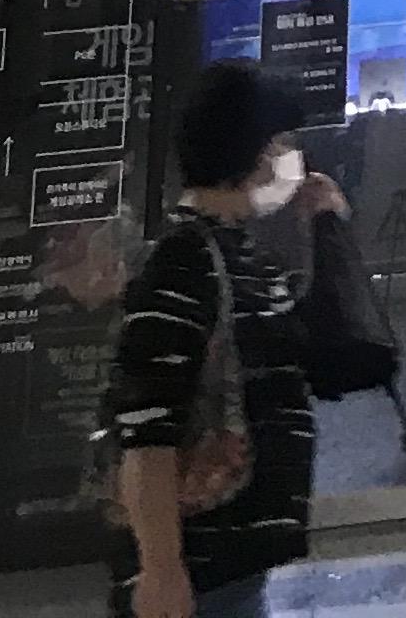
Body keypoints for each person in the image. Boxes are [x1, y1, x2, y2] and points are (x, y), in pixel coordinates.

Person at [101, 65, 346, 618]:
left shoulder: (237, 252)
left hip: (232, 561)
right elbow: (147, 426)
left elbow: (320, 355)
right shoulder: (183, 261)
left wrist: (327, 230)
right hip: (200, 567)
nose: (290, 157)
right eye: (281, 143)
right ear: (253, 153)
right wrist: (160, 568)